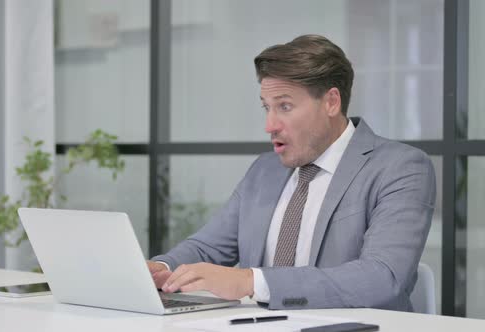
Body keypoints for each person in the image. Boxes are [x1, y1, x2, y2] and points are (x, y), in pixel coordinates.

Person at [147, 34, 436, 311]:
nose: (270, 125)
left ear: (331, 102)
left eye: (284, 106)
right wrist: (161, 268)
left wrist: (252, 281)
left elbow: (381, 277)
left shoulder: (400, 168)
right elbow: (206, 247)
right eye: (267, 108)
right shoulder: (265, 169)